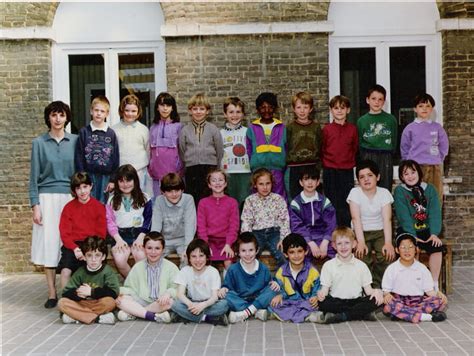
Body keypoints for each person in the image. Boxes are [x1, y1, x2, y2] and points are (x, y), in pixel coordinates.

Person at [29, 101, 78, 308]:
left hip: (69, 198)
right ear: (48, 118)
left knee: (71, 244)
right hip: (47, 198)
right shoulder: (39, 143)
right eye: (53, 115)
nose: (58, 119)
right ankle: (51, 293)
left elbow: (79, 174)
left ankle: (72, 290)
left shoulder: (75, 141)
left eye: (61, 115)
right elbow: (33, 178)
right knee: (49, 245)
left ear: (67, 118)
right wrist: (35, 205)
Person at [316, 227, 383, 324]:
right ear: (334, 245)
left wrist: (377, 292)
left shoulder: (361, 266)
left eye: (347, 243)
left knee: (374, 300)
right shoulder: (328, 265)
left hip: (356, 301)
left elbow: (368, 291)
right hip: (337, 301)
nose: (343, 247)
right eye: (339, 243)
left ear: (354, 244)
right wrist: (321, 294)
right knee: (323, 303)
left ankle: (342, 316)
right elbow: (324, 290)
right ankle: (361, 314)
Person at [394, 160, 444, 289]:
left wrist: (434, 234)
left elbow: (434, 212)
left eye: (413, 172)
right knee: (410, 247)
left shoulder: (430, 189)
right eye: (406, 174)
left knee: (436, 247)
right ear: (401, 177)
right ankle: (413, 284)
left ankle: (433, 284)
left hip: (427, 229)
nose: (410, 176)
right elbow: (403, 215)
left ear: (419, 173)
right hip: (407, 229)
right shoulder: (400, 191)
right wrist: (412, 235)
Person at [347, 160, 395, 288]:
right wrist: (361, 242)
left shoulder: (384, 193)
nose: (366, 179)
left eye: (370, 175)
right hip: (360, 232)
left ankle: (380, 287)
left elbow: (387, 220)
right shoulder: (355, 193)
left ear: (377, 177)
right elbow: (355, 218)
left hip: (380, 231)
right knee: (361, 256)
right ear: (358, 180)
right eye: (362, 177)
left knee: (387, 255)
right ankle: (366, 288)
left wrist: (388, 243)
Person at [382, 232, 448, 323]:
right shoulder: (392, 269)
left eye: (410, 247)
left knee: (440, 301)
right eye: (403, 247)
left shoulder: (422, 269)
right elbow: (386, 291)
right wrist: (386, 295)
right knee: (388, 305)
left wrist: (438, 294)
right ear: (397, 250)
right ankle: (426, 317)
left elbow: (429, 291)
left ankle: (403, 314)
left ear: (416, 249)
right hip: (399, 300)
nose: (407, 250)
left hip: (418, 301)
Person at [116, 232, 179, 323]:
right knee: (121, 300)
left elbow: (177, 289)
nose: (153, 252)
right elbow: (129, 288)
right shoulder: (138, 267)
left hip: (160, 302)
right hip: (141, 300)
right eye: (149, 248)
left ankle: (136, 312)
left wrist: (168, 293)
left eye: (157, 248)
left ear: (163, 249)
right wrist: (120, 293)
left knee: (170, 302)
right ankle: (152, 316)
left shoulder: (171, 267)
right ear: (144, 249)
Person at [58, 172, 106, 289]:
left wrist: (90, 251)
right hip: (72, 245)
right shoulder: (68, 208)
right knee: (65, 272)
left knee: (92, 271)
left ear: (91, 186)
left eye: (85, 187)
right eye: (78, 188)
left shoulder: (98, 207)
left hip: (92, 244)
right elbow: (64, 233)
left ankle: (93, 295)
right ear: (74, 190)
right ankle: (67, 299)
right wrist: (75, 249)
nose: (82, 191)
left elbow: (101, 233)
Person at [218, 232, 278, 323]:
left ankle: (244, 313)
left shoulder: (263, 268)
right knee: (225, 295)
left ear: (257, 250)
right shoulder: (233, 269)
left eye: (251, 250)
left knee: (274, 289)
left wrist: (274, 283)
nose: (247, 254)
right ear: (238, 252)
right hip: (240, 300)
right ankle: (255, 311)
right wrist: (224, 288)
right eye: (243, 251)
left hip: (258, 299)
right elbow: (227, 286)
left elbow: (268, 287)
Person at [58, 236, 120, 325]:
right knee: (62, 303)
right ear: (84, 257)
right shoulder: (80, 272)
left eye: (97, 255)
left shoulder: (108, 271)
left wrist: (92, 292)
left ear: (103, 257)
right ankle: (97, 318)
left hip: (99, 303)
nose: (93, 260)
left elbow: (114, 292)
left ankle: (78, 317)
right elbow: (66, 292)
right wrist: (78, 293)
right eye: (89, 255)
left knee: (110, 302)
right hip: (83, 303)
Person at [400, 93, 449, 203]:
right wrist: (409, 165)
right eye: (421, 106)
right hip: (416, 168)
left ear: (432, 109)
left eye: (428, 106)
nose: (424, 109)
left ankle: (434, 220)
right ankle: (419, 220)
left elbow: (444, 146)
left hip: (434, 167)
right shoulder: (410, 128)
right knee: (417, 197)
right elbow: (405, 148)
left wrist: (438, 159)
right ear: (415, 109)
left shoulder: (437, 127)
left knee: (435, 196)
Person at [106, 164, 152, 277]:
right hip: (120, 236)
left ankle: (140, 285)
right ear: (117, 182)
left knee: (141, 257)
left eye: (129, 180)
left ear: (135, 180)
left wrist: (141, 237)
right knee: (120, 260)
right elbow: (110, 222)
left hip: (139, 235)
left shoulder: (145, 198)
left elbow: (148, 219)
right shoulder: (111, 200)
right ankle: (133, 283)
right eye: (121, 181)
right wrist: (118, 240)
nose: (125, 184)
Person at [170, 239, 229, 326]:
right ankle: (208, 318)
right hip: (191, 303)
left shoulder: (213, 272)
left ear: (207, 257)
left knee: (224, 305)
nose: (198, 260)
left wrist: (202, 306)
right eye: (193, 256)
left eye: (201, 256)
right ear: (189, 258)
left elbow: (214, 297)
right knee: (175, 304)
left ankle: (184, 316)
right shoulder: (185, 271)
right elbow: (180, 294)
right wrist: (191, 305)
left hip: (209, 304)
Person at [179, 93, 224, 205]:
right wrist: (188, 162)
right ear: (190, 111)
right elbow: (182, 150)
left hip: (209, 168)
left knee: (209, 198)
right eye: (195, 109)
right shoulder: (185, 130)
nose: (198, 112)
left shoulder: (213, 129)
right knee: (194, 199)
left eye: (202, 109)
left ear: (207, 111)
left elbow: (219, 150)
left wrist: (216, 167)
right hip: (191, 169)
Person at [321, 95, 358, 227]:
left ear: (348, 110)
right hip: (330, 170)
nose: (339, 111)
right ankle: (332, 232)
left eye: (342, 108)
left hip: (346, 171)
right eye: (336, 108)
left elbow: (354, 149)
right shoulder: (326, 129)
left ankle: (346, 232)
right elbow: (322, 148)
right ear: (331, 110)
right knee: (332, 203)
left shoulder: (352, 129)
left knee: (346, 203)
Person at [75, 95, 119, 203]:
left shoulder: (111, 134)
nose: (99, 113)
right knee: (89, 205)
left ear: (107, 114)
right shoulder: (84, 132)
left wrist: (113, 180)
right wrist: (82, 179)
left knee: (103, 206)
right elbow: (79, 156)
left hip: (106, 178)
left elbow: (115, 158)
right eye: (96, 110)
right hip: (88, 176)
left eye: (102, 111)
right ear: (91, 111)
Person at [241, 168, 290, 266]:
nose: (265, 187)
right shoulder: (250, 200)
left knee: (283, 256)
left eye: (268, 183)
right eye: (261, 184)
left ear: (272, 184)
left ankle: (279, 280)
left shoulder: (278, 199)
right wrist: (248, 240)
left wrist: (283, 238)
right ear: (255, 185)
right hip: (256, 234)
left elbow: (284, 220)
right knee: (248, 256)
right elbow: (246, 220)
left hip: (275, 233)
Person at [269, 233, 321, 323]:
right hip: (289, 301)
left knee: (316, 304)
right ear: (285, 254)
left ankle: (286, 316)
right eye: (292, 252)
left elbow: (317, 287)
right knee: (274, 304)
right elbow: (279, 287)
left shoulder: (312, 271)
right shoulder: (282, 271)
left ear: (306, 251)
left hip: (306, 302)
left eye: (300, 251)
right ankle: (305, 316)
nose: (296, 256)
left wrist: (315, 297)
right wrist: (280, 295)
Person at [289, 166, 337, 261]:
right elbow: (297, 227)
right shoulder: (296, 203)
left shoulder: (324, 201)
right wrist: (310, 243)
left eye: (313, 179)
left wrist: (325, 242)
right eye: (306, 179)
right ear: (301, 182)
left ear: (318, 182)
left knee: (336, 249)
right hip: (304, 237)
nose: (310, 182)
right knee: (300, 252)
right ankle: (307, 274)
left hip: (323, 236)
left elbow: (331, 223)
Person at [357, 84, 397, 191]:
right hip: (368, 155)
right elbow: (359, 142)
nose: (377, 102)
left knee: (385, 187)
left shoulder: (390, 119)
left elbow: (394, 141)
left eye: (380, 99)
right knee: (368, 186)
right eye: (373, 99)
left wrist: (388, 154)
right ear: (367, 100)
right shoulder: (362, 121)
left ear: (384, 102)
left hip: (385, 156)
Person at [246, 92, 287, 199]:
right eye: (263, 107)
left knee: (278, 197)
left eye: (270, 107)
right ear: (257, 109)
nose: (267, 110)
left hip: (277, 169)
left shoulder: (282, 127)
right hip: (258, 169)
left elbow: (286, 147)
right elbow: (249, 150)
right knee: (257, 197)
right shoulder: (252, 128)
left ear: (275, 109)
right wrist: (254, 164)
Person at [197, 169, 239, 271]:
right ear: (209, 185)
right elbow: (201, 226)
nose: (217, 183)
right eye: (214, 180)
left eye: (220, 180)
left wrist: (228, 244)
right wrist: (205, 245)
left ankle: (228, 285)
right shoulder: (203, 203)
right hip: (209, 241)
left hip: (227, 241)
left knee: (228, 261)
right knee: (205, 262)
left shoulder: (232, 202)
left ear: (225, 183)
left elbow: (234, 226)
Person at [151, 173, 196, 267]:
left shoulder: (188, 199)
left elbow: (190, 225)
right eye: (169, 191)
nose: (174, 194)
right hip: (165, 239)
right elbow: (156, 225)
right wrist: (154, 244)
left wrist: (187, 247)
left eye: (177, 190)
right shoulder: (159, 201)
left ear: (182, 189)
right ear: (163, 192)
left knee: (188, 258)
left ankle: (182, 281)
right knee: (153, 257)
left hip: (183, 239)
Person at [112, 94, 152, 196]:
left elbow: (148, 151)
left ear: (138, 112)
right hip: (121, 174)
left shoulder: (143, 129)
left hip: (139, 172)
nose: (130, 114)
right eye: (127, 110)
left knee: (139, 201)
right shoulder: (114, 130)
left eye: (133, 111)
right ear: (122, 110)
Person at [286, 91, 322, 200]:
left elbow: (320, 146)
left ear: (310, 109)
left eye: (305, 107)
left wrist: (318, 167)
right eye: (299, 107)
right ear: (294, 109)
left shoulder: (316, 127)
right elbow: (287, 146)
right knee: (296, 197)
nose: (302, 111)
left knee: (313, 197)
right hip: (294, 167)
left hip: (312, 166)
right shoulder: (290, 127)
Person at [148, 92, 183, 197]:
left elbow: (182, 150)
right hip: (157, 176)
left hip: (174, 174)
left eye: (168, 105)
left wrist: (180, 169)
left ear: (172, 108)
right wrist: (151, 167)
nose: (165, 108)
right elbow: (150, 151)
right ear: (157, 107)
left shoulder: (179, 127)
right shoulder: (153, 127)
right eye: (162, 105)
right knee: (159, 203)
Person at [220, 97, 251, 207]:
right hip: (227, 173)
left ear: (243, 114)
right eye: (231, 112)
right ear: (225, 114)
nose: (235, 115)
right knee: (230, 204)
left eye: (238, 112)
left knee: (245, 203)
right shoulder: (220, 133)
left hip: (245, 172)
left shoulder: (248, 132)